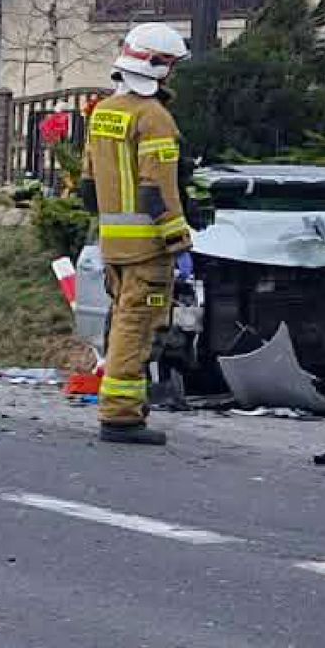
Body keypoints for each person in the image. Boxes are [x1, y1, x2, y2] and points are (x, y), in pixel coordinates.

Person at [80, 23, 194, 446]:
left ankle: (124, 407)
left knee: (122, 323)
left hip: (113, 243)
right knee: (136, 326)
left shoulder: (105, 111)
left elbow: (88, 187)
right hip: (147, 248)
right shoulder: (154, 118)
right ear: (159, 67)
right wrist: (179, 242)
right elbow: (156, 190)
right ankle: (122, 416)